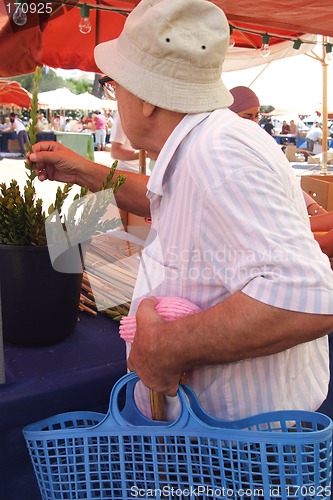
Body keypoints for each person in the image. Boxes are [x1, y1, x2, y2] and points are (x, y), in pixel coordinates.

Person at [28, 0, 333, 425]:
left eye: (117, 86)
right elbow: (163, 198)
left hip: (240, 447)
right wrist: (83, 171)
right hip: (229, 433)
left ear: (149, 98)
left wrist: (170, 346)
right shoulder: (206, 142)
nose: (117, 99)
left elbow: (309, 300)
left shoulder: (218, 155)